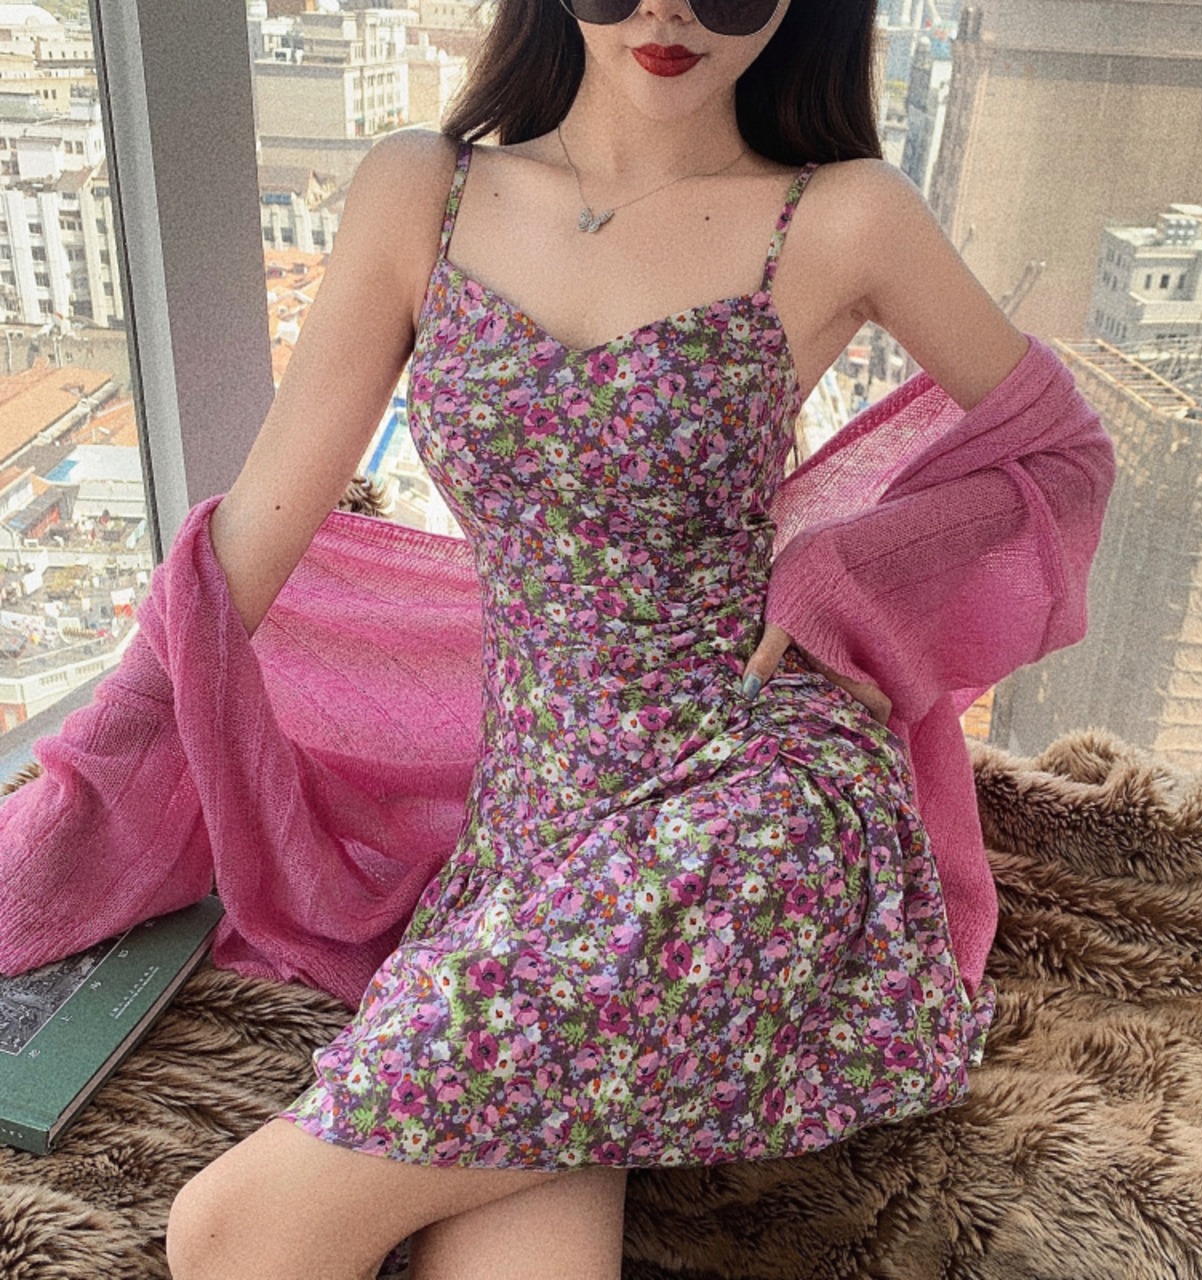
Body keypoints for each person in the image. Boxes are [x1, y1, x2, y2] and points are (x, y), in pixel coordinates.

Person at [163, 0, 1033, 1276]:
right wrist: (99, 766)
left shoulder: (843, 217)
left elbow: (1053, 456)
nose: (667, 10)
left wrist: (837, 578)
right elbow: (256, 529)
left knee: (231, 1225)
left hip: (749, 800)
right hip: (534, 824)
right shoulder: (422, 192)